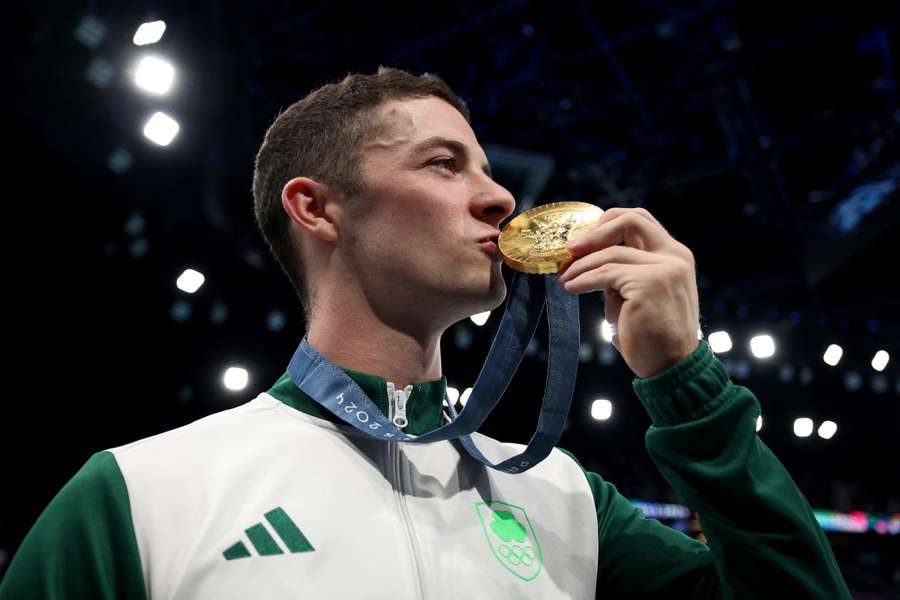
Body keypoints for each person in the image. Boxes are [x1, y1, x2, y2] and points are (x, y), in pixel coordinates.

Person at [0, 67, 850, 599]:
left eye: (487, 169)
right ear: (315, 207)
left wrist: (684, 382)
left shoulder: (568, 502)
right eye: (444, 164)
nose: (500, 199)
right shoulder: (136, 498)